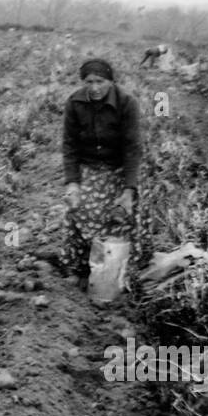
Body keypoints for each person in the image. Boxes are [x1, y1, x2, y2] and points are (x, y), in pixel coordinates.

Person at [61, 58, 142, 291]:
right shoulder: (75, 103)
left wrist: (128, 190)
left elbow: (133, 149)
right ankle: (80, 268)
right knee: (76, 210)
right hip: (90, 167)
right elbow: (69, 147)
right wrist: (73, 183)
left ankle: (121, 273)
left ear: (111, 81)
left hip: (120, 168)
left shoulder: (127, 103)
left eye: (100, 81)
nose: (95, 87)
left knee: (123, 214)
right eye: (89, 82)